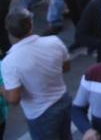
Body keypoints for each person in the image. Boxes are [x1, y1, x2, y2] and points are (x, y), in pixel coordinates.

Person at [2, 8, 72, 140]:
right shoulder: (54, 41)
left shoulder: (9, 62)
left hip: (40, 114)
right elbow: (66, 67)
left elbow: (13, 99)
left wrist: (2, 90)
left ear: (9, 31)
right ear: (31, 24)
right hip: (63, 100)